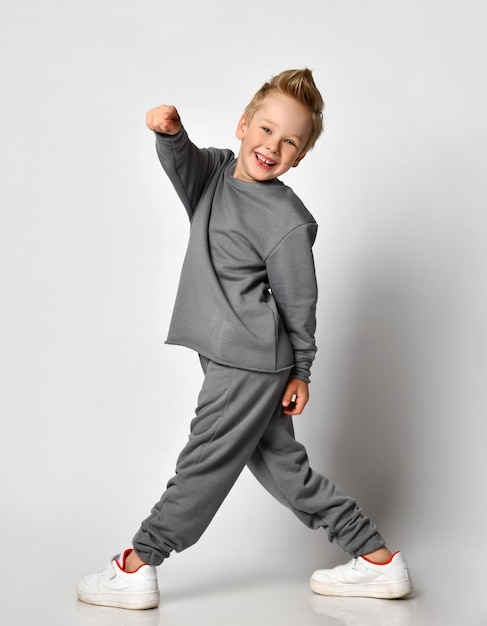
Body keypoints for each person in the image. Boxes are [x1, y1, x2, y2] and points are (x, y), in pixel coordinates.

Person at [77, 69, 413, 610]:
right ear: (243, 125)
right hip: (232, 359)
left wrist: (302, 370)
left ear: (299, 158)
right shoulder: (212, 173)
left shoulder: (287, 219)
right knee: (285, 469)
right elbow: (182, 164)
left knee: (203, 464)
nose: (271, 146)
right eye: (265, 129)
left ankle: (138, 564)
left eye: (289, 142)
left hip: (250, 362)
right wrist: (170, 132)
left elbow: (300, 302)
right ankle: (375, 558)